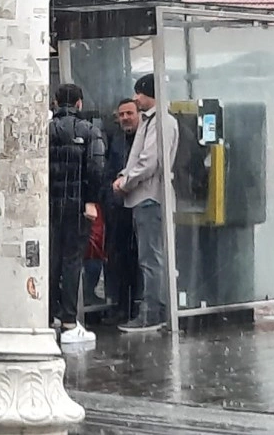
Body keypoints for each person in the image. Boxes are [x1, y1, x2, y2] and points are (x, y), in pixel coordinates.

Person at [114, 73, 179, 332]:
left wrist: (125, 181)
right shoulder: (153, 120)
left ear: (147, 93)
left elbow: (149, 161)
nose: (135, 98)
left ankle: (153, 313)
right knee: (151, 257)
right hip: (146, 196)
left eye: (138, 93)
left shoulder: (159, 121)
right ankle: (155, 310)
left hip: (149, 196)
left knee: (151, 258)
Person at [49, 83, 105, 344]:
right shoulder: (90, 130)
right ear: (79, 103)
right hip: (77, 205)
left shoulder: (44, 131)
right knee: (72, 261)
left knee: (51, 260)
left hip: (48, 206)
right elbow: (96, 169)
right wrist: (91, 201)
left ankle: (48, 317)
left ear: (55, 102)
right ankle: (70, 322)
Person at [103, 99, 141, 323]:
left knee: (141, 258)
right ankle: (121, 305)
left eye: (129, 113)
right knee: (119, 257)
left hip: (140, 203)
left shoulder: (145, 138)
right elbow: (108, 168)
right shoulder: (116, 139)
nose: (125, 118)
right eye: (121, 114)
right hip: (118, 207)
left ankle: (137, 304)